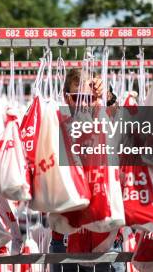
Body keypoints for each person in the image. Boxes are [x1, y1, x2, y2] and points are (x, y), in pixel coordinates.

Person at [50, 68, 123, 272]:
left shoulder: (105, 119)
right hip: (66, 236)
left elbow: (120, 118)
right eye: (77, 97)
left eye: (89, 98)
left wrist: (107, 96)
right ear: (66, 98)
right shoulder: (57, 124)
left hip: (107, 235)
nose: (83, 103)